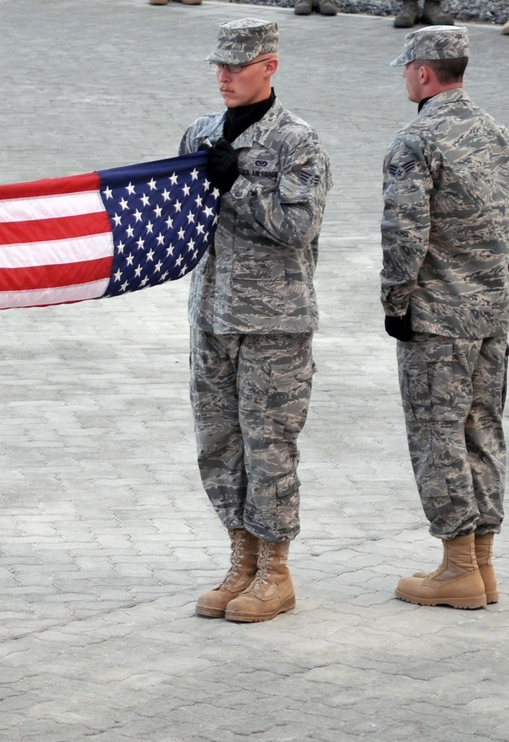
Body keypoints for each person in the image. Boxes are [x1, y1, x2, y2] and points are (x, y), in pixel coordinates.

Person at [179, 18, 331, 624]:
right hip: (211, 316)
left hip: (274, 323)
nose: (225, 76)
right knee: (219, 445)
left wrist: (236, 184)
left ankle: (275, 571)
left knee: (269, 447)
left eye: (237, 66)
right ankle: (241, 561)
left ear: (269, 66)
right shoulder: (201, 133)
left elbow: (299, 227)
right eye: (219, 65)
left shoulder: (297, 142)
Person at [379, 27, 509, 609]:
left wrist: (396, 301)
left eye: (407, 69)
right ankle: (483, 565)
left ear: (423, 73)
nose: (405, 77)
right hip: (491, 313)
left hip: (438, 319)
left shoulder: (416, 141)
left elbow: (405, 233)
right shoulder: (502, 134)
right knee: (482, 430)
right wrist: (508, 277)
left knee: (437, 434)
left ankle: (458, 568)